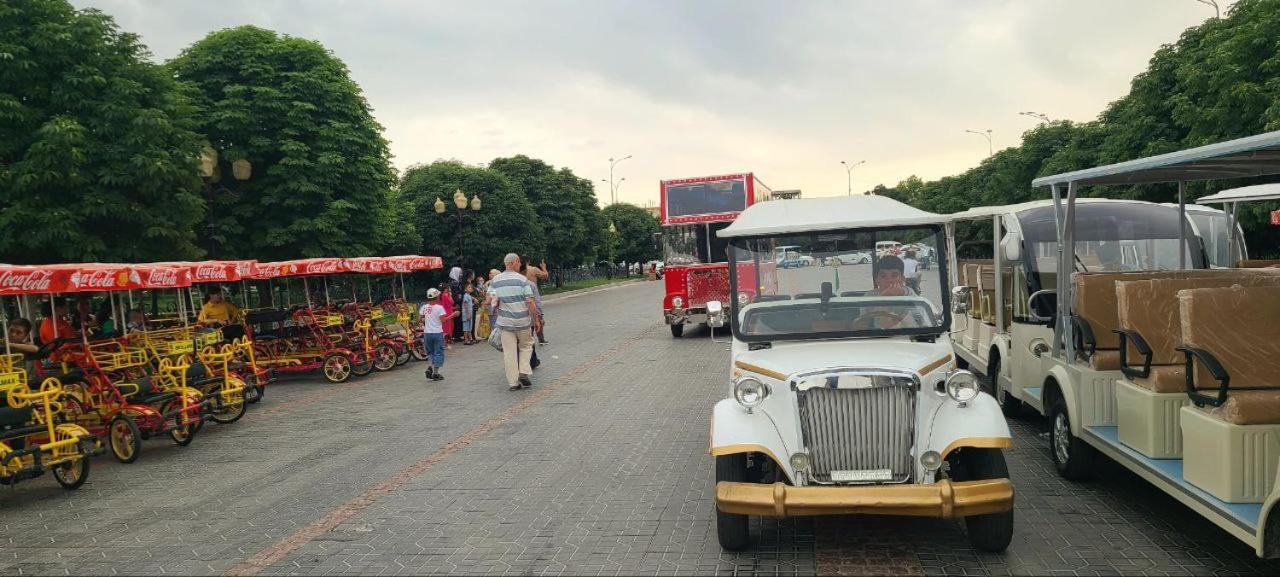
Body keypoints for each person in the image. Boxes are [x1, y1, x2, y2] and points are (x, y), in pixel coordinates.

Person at [490, 253, 542, 391]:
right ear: (514, 262)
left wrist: (496, 305)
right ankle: (523, 372)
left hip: (505, 323)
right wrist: (536, 319)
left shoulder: (495, 280)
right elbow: (530, 301)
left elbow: (491, 301)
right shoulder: (522, 280)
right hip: (522, 322)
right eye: (519, 262)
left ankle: (513, 383)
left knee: (509, 352)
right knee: (526, 346)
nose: (520, 265)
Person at [419, 288, 456, 381]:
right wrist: (453, 315)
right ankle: (435, 373)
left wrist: (426, 320)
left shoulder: (424, 307)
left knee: (430, 352)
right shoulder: (439, 308)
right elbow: (443, 320)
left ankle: (429, 367)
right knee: (438, 353)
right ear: (436, 297)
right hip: (437, 333)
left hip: (427, 333)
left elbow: (420, 319)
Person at [522, 255, 549, 344]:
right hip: (532, 294)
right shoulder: (533, 269)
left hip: (521, 296)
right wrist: (544, 267)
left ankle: (528, 339)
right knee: (537, 314)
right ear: (528, 261)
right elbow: (545, 276)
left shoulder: (517, 271)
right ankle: (541, 338)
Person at [438, 281, 456, 348]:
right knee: (447, 328)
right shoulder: (445, 295)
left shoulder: (441, 295)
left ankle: (446, 341)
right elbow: (451, 303)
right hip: (447, 312)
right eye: (447, 288)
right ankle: (445, 342)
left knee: (446, 328)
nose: (448, 289)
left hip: (445, 312)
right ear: (445, 289)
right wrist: (450, 295)